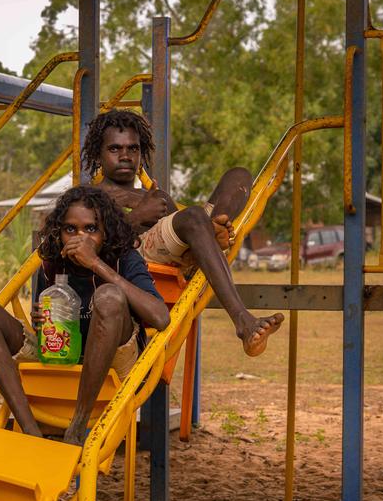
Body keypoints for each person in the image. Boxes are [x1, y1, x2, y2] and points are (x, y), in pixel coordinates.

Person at [0, 185, 170, 445]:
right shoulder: (52, 262)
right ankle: (30, 431)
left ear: (105, 231)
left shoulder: (125, 257)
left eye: (91, 229)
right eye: (70, 229)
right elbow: (45, 330)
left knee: (109, 296)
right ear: (59, 231)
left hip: (115, 362)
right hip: (61, 356)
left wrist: (95, 263)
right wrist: (40, 319)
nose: (80, 237)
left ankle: (77, 426)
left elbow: (161, 317)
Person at [84, 109, 284, 356]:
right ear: (98, 155)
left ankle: (211, 231)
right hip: (136, 255)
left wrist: (158, 206)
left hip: (177, 245)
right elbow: (88, 249)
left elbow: (170, 216)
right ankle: (243, 321)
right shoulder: (90, 198)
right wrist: (135, 217)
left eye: (133, 149)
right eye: (115, 149)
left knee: (238, 176)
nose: (125, 156)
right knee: (192, 216)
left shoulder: (151, 194)